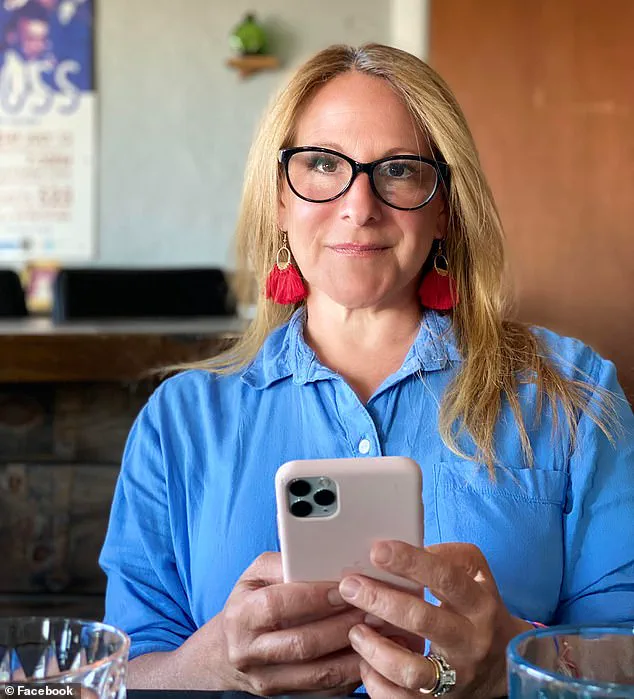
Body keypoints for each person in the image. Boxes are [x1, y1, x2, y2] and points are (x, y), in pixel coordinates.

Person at [99, 43, 634, 698]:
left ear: (444, 207)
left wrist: (511, 665)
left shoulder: (573, 393)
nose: (359, 206)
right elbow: (117, 675)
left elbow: (624, 650)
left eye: (399, 170)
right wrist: (211, 666)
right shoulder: (180, 421)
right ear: (279, 199)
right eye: (323, 164)